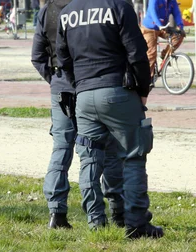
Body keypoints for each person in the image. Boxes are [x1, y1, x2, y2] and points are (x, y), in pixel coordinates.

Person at [56, 0, 162, 238]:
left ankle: (95, 221)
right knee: (134, 156)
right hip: (117, 91)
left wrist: (80, 86)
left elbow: (63, 60)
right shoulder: (118, 6)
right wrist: (143, 91)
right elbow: (137, 53)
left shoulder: (68, 13)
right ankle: (136, 223)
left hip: (83, 94)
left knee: (89, 158)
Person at [31, 0, 133, 229]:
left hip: (63, 88)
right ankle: (117, 209)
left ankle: (57, 213)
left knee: (62, 148)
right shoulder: (96, 8)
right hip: (94, 83)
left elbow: (37, 56)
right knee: (107, 147)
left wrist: (57, 80)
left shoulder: (49, 10)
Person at [141, 0, 185, 84]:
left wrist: (180, 27)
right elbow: (153, 11)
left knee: (178, 36)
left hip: (163, 27)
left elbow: (177, 14)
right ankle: (146, 80)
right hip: (150, 28)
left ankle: (164, 55)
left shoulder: (172, 1)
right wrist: (159, 24)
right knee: (152, 53)